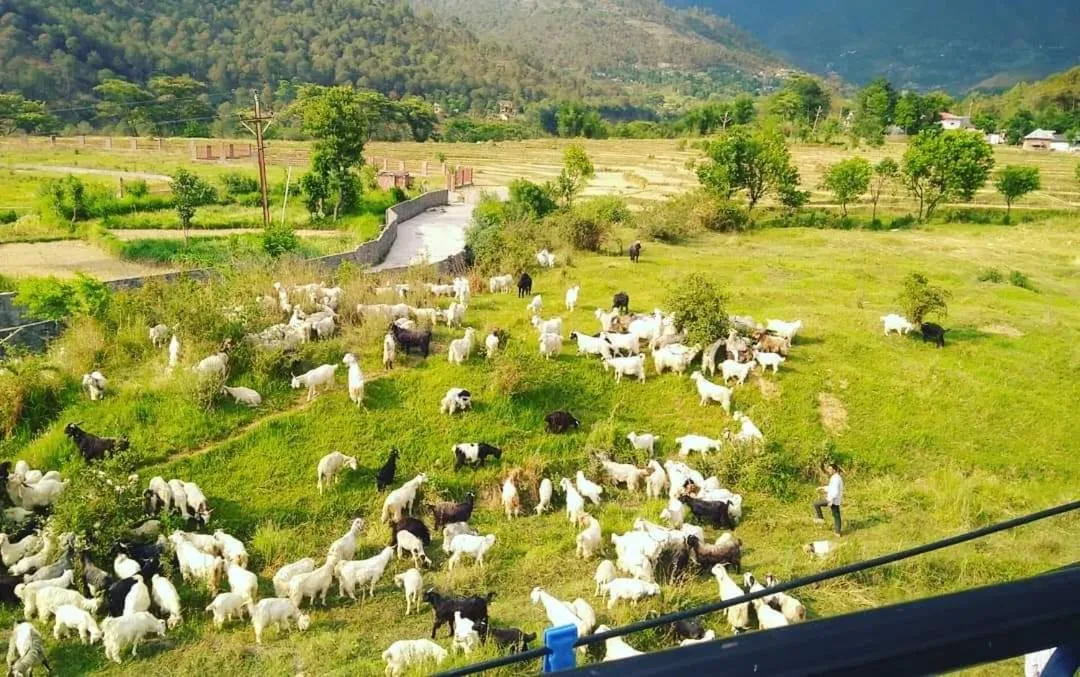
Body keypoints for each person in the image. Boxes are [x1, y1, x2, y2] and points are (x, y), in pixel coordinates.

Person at [813, 463, 843, 535]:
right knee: (836, 515)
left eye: (830, 469)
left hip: (832, 499)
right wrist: (822, 488)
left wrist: (831, 501)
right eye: (828, 469)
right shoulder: (835, 477)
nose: (829, 470)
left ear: (834, 470)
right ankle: (837, 532)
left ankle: (821, 519)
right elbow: (831, 488)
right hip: (834, 499)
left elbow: (835, 491)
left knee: (816, 504)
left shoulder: (836, 479)